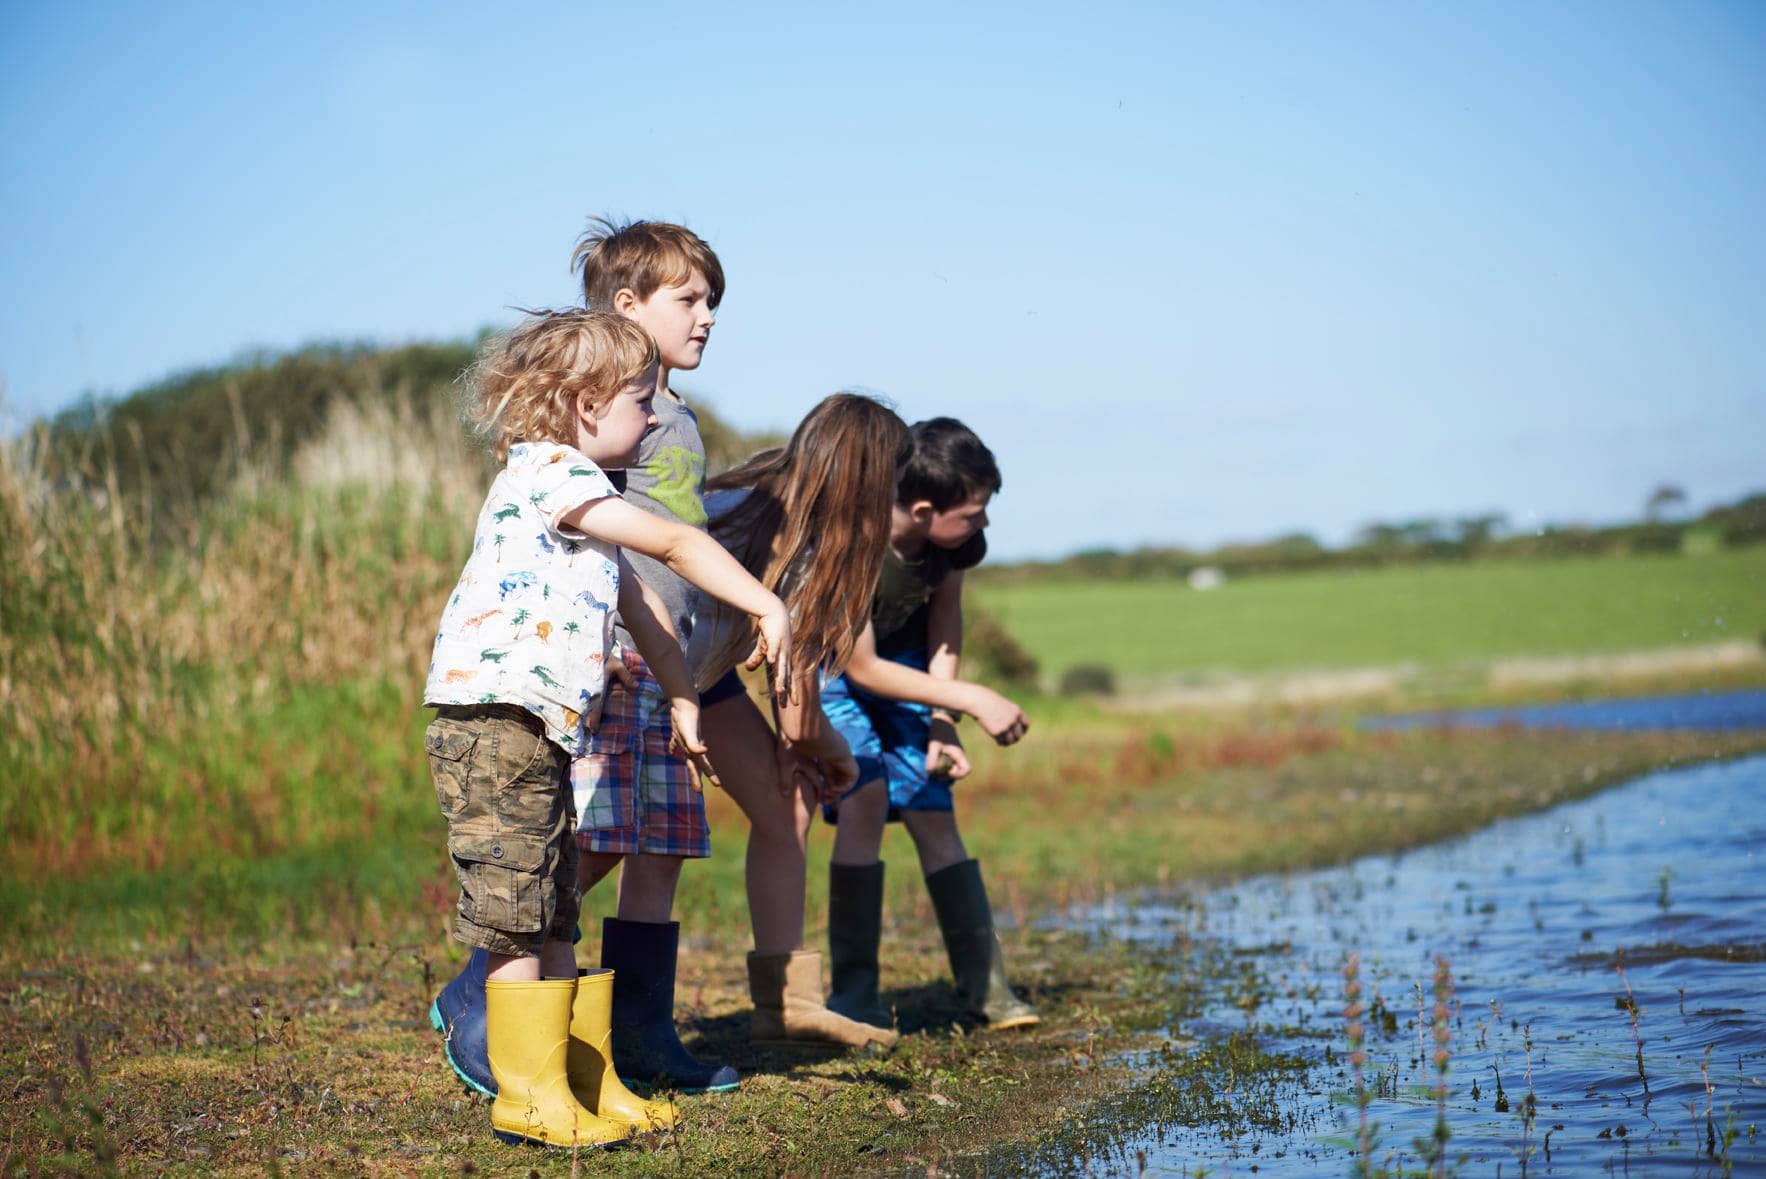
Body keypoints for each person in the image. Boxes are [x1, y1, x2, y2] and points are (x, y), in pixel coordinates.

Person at [422, 308, 790, 1149]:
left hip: (543, 729)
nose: (655, 415)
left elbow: (646, 614)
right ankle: (528, 1092)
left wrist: (687, 699)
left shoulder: (591, 500)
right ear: (586, 405)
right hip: (493, 723)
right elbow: (672, 540)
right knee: (518, 908)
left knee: (555, 906)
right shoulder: (552, 472)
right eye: (638, 399)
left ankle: (583, 1079)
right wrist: (764, 601)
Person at [687, 392, 909, 1051]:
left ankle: (788, 1003)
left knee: (787, 802)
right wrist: (835, 751)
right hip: (645, 670)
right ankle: (492, 978)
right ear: (869, 482)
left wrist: (806, 740)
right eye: (894, 482)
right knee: (614, 846)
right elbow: (799, 715)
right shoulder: (809, 544)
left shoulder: (763, 499)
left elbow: (794, 697)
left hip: (704, 675)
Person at [819, 418, 1041, 1032]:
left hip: (915, 673)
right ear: (921, 509)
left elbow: (946, 626)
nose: (983, 526)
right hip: (838, 673)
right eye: (972, 514)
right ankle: (854, 996)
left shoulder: (952, 549)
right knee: (863, 801)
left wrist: (943, 720)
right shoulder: (854, 546)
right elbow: (860, 666)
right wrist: (973, 698)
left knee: (932, 811)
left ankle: (990, 993)